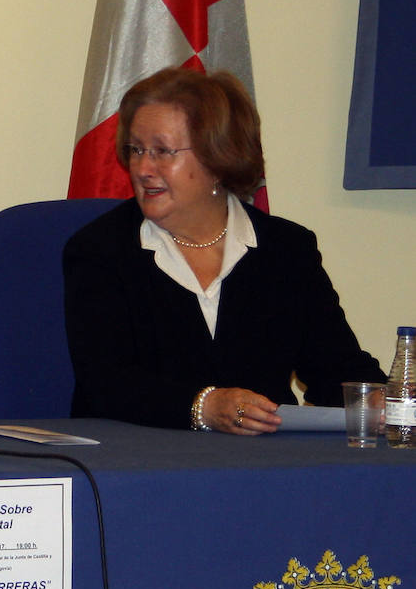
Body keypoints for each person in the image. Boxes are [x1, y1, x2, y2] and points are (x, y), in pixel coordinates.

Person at [64, 67, 384, 435]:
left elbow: (336, 367)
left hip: (263, 467)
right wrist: (202, 406)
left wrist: (378, 400)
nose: (142, 168)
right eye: (136, 150)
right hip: (138, 464)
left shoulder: (285, 250)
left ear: (218, 157)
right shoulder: (100, 249)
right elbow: (106, 384)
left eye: (162, 152)